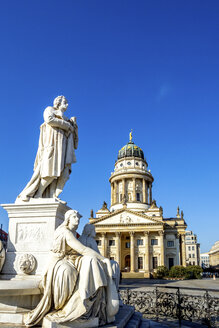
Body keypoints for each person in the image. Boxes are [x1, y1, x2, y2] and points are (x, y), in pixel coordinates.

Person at [24, 210, 119, 327]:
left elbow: (81, 252)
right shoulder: (65, 232)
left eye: (78, 217)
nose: (78, 219)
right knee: (69, 271)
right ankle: (72, 305)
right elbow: (82, 250)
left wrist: (100, 260)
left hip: (72, 259)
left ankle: (88, 300)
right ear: (68, 219)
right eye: (75, 217)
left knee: (91, 262)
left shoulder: (74, 233)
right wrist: (104, 260)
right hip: (59, 262)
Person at [17, 96, 78, 203]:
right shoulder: (50, 109)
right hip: (52, 145)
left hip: (63, 148)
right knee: (50, 170)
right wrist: (67, 125)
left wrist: (74, 126)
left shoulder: (66, 119)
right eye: (65, 102)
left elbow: (74, 140)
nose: (67, 105)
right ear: (58, 103)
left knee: (61, 173)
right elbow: (49, 120)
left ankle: (52, 195)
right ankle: (38, 194)